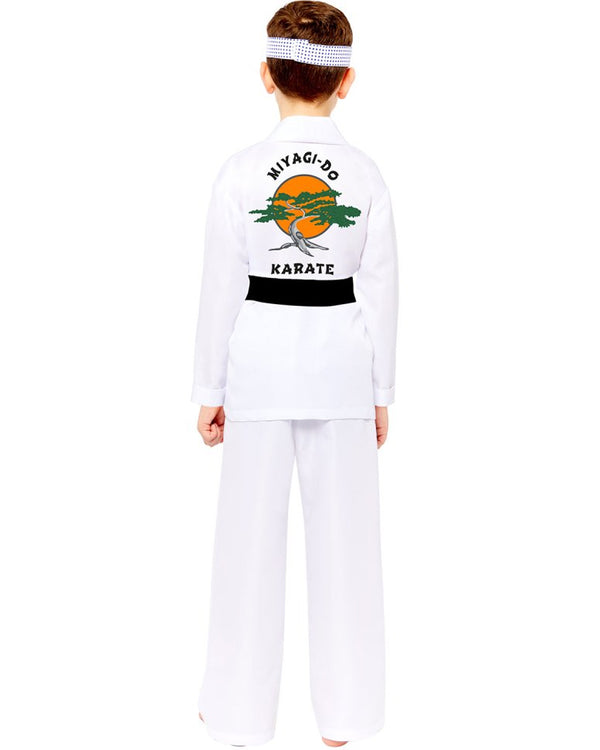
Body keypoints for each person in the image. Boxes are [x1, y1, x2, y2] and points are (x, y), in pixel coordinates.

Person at [191, 2, 399, 746]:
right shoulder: (364, 174)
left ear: (264, 76)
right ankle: (346, 716)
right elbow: (382, 289)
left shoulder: (241, 173)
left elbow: (220, 289)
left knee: (246, 543)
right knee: (348, 547)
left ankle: (238, 712)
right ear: (347, 81)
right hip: (342, 370)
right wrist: (381, 393)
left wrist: (208, 391)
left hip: (259, 367)